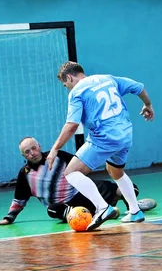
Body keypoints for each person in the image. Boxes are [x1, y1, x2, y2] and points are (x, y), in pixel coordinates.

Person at [47, 61, 155, 231]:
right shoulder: (108, 78)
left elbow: (72, 125)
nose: (67, 88)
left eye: (65, 84)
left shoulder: (77, 92)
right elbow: (138, 87)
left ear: (69, 77)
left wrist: (55, 148)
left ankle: (102, 208)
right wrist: (148, 105)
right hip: (125, 134)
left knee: (71, 172)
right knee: (115, 171)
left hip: (104, 137)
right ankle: (135, 211)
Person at [0, 137, 156, 226]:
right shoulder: (24, 174)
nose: (32, 153)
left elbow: (81, 165)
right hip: (64, 206)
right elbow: (19, 200)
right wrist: (9, 218)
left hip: (80, 193)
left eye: (34, 148)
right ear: (23, 156)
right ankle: (95, 216)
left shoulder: (59, 156)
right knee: (52, 211)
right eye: (27, 152)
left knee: (129, 188)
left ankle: (133, 208)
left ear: (39, 146)